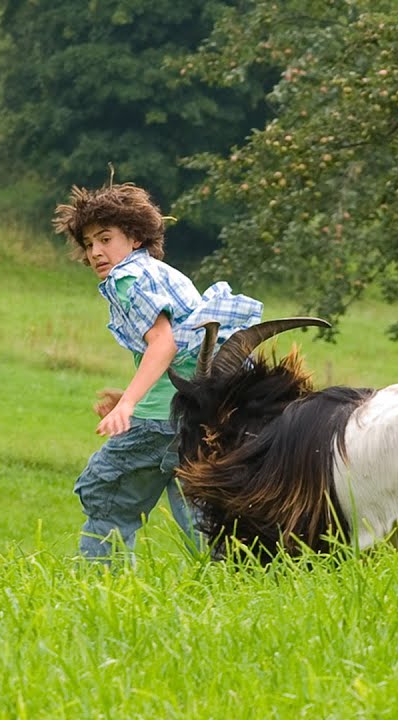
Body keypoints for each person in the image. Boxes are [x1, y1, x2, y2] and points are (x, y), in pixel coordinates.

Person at [52, 182, 262, 560]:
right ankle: (231, 585)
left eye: (105, 238)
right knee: (199, 510)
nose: (96, 251)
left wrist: (130, 404)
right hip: (193, 415)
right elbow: (179, 353)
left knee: (105, 493)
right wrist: (131, 398)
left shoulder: (127, 279)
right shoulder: (156, 271)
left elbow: (163, 343)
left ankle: (101, 589)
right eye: (88, 244)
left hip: (161, 421)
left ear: (134, 237)